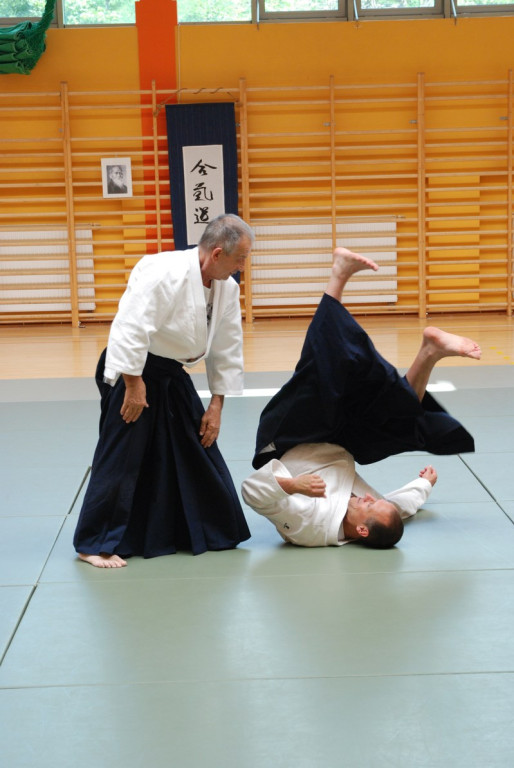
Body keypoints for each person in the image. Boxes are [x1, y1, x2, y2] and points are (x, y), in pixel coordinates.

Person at [242, 247, 481, 549]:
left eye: (370, 504)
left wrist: (293, 485)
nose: (369, 497)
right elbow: (400, 507)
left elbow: (250, 491)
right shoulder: (371, 516)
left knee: (322, 370)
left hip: (292, 436)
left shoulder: (308, 524)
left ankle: (339, 274)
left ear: (361, 531)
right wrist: (424, 484)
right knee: (401, 420)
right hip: (342, 441)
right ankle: (430, 352)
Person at [74, 213, 254, 567]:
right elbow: (130, 325)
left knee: (195, 446)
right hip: (134, 369)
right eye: (241, 259)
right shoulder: (161, 271)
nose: (242, 267)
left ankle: (196, 529)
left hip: (171, 373)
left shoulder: (227, 289)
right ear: (217, 254)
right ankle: (92, 544)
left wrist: (217, 405)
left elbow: (227, 346)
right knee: (122, 453)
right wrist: (133, 384)